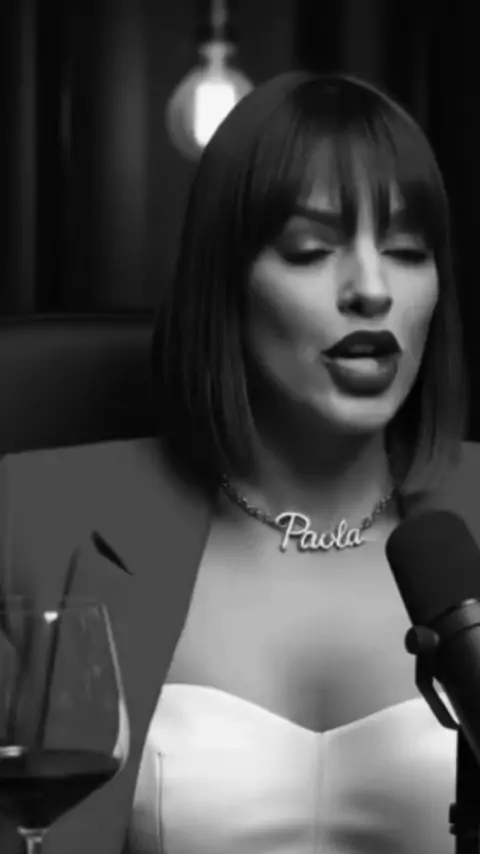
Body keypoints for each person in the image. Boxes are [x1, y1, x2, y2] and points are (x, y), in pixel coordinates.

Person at [0, 69, 475, 854]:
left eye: (406, 250)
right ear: (225, 286)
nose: (371, 290)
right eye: (311, 250)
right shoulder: (30, 518)